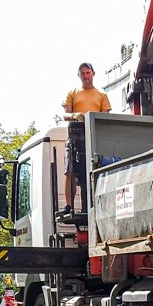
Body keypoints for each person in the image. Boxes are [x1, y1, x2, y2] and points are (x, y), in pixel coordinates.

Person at [62, 62, 111, 214]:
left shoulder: (101, 96)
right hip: (75, 137)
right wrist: (74, 116)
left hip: (92, 138)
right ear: (79, 76)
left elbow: (104, 117)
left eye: (87, 73)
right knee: (70, 171)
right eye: (82, 73)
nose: (85, 76)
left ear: (93, 73)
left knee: (91, 171)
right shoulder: (73, 93)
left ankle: (94, 204)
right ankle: (69, 206)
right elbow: (65, 115)